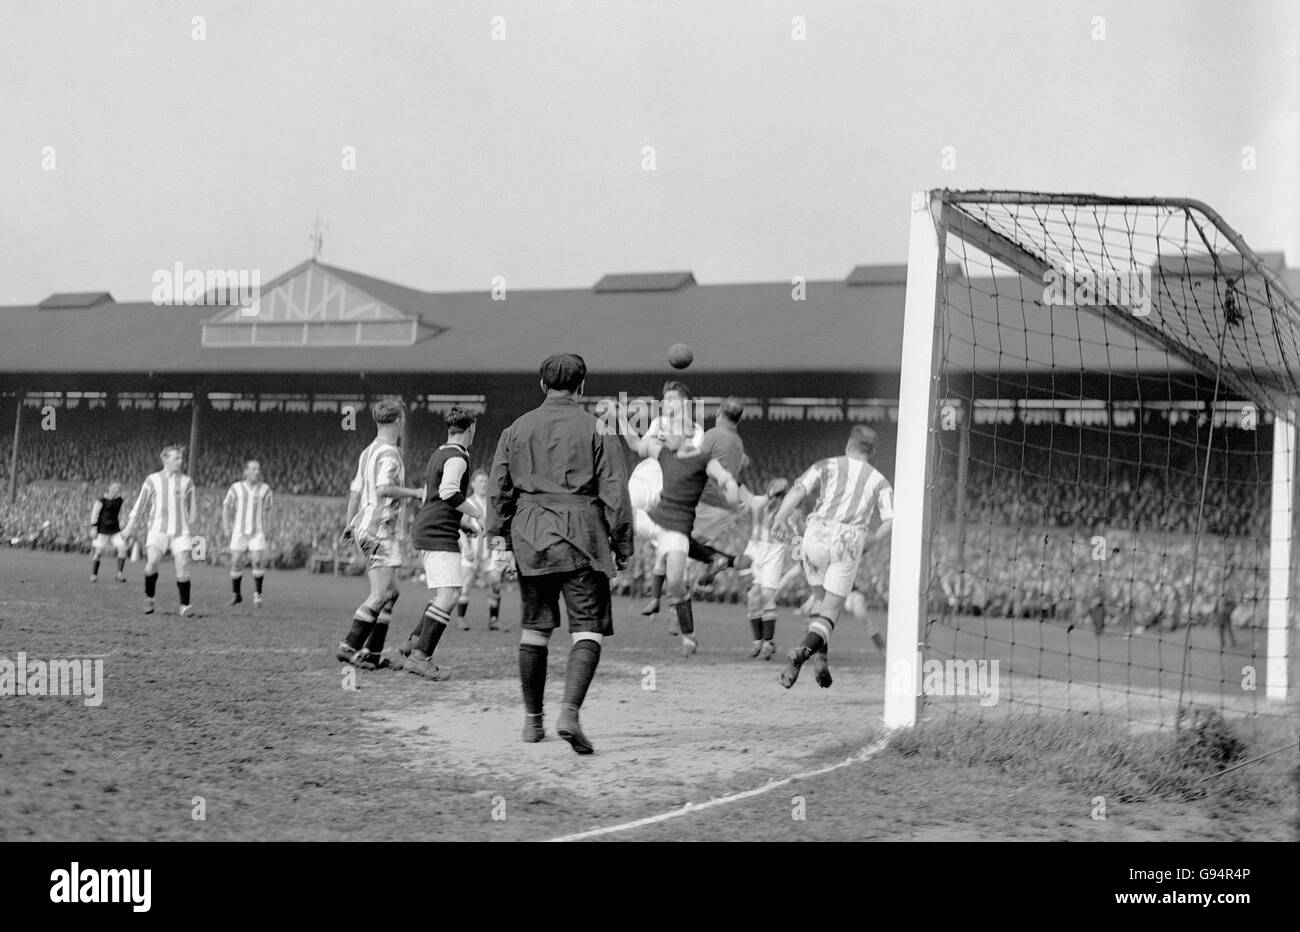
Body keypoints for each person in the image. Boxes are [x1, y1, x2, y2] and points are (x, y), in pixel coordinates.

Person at [488, 353, 633, 754]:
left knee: (534, 628)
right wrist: (622, 546)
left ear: (541, 386)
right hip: (582, 535)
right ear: (582, 386)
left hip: (530, 533)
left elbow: (498, 489)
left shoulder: (516, 429)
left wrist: (498, 538)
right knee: (587, 628)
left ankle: (533, 722)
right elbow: (615, 492)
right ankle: (569, 712)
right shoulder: (598, 428)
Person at [771, 425, 893, 689]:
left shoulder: (826, 465)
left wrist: (780, 518)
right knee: (830, 611)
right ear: (871, 452)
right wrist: (872, 540)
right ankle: (804, 652)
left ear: (849, 445)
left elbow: (798, 491)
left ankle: (821, 661)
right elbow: (890, 521)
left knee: (818, 600)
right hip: (848, 540)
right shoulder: (880, 481)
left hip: (816, 533)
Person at [636, 382, 743, 656]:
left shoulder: (696, 433)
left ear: (684, 402)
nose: (666, 402)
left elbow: (701, 462)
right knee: (660, 545)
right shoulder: (659, 423)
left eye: (672, 398)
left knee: (674, 552)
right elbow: (643, 446)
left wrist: (727, 481)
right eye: (664, 398)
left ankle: (673, 603)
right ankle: (666, 597)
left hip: (681, 499)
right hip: (656, 493)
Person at [335, 399, 424, 669]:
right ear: (399, 421)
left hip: (367, 527)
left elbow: (355, 491)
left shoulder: (368, 452)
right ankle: (349, 647)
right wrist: (416, 493)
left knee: (390, 593)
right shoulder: (390, 453)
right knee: (381, 594)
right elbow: (384, 488)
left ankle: (372, 654)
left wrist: (350, 524)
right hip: (379, 531)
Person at [402, 408, 485, 679]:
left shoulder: (440, 453)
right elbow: (449, 491)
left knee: (443, 595)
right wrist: (477, 513)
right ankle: (420, 657)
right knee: (449, 596)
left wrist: (463, 524)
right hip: (436, 532)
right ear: (471, 427)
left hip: (433, 527)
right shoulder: (458, 458)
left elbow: (436, 498)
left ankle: (413, 644)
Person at [121, 446, 198, 616]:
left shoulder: (187, 482)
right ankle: (150, 598)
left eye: (181, 458)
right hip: (158, 529)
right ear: (165, 460)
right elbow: (140, 505)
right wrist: (129, 527)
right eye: (176, 458)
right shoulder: (152, 480)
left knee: (183, 565)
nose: (180, 461)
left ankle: (185, 606)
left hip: (181, 531)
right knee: (152, 563)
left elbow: (192, 511)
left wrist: (195, 533)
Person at [741, 477, 791, 660]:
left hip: (774, 551)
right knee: (752, 597)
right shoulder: (757, 503)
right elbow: (742, 494)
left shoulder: (787, 509)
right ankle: (758, 642)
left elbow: (796, 529)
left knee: (767, 596)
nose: (775, 497)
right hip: (754, 549)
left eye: (779, 494)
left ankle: (768, 643)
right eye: (773, 491)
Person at [454, 469, 504, 631]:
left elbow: (497, 529)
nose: (484, 484)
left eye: (485, 481)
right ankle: (461, 619)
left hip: (490, 551)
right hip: (472, 550)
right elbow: (459, 528)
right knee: (466, 583)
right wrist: (466, 547)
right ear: (473, 484)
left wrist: (501, 554)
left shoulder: (492, 504)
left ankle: (494, 620)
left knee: (496, 582)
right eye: (480, 481)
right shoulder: (467, 503)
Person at [223, 459, 274, 607]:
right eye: (253, 469)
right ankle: (236, 595)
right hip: (239, 531)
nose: (256, 472)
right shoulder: (235, 488)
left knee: (257, 560)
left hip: (257, 531)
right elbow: (226, 507)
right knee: (236, 562)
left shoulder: (265, 489)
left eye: (258, 469)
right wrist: (226, 526)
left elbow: (269, 510)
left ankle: (258, 595)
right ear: (246, 471)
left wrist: (269, 527)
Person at [87, 481, 128, 583]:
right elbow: (95, 514)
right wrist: (93, 528)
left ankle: (119, 575)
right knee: (98, 552)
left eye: (118, 489)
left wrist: (124, 520)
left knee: (123, 549)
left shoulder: (119, 501)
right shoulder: (101, 501)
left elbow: (124, 511)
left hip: (115, 530)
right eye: (114, 488)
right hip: (102, 530)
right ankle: (94, 575)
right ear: (109, 488)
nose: (116, 490)